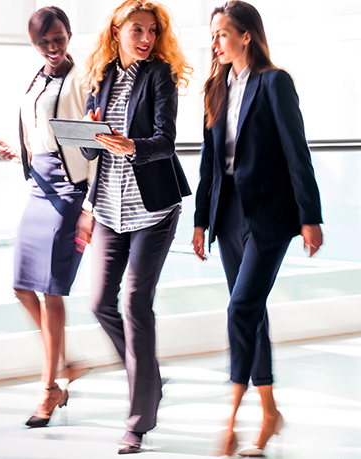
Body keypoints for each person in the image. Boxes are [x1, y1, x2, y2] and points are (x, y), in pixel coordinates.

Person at [191, 1, 323, 456]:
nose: (216, 42)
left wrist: (310, 216)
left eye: (223, 33)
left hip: (268, 215)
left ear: (246, 35)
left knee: (240, 308)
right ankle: (269, 413)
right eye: (213, 35)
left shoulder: (274, 82)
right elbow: (210, 160)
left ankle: (231, 417)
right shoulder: (215, 87)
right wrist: (200, 219)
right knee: (251, 311)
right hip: (226, 214)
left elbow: (296, 151)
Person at [76, 0, 192, 453]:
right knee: (102, 303)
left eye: (152, 31)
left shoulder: (159, 74)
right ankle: (150, 380)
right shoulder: (101, 78)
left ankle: (138, 421)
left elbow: (165, 140)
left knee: (135, 303)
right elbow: (90, 152)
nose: (146, 39)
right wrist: (89, 132)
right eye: (137, 30)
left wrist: (130, 145)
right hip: (108, 208)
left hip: (153, 210)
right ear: (117, 32)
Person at [0, 6, 94, 428]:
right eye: (43, 42)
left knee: (51, 290)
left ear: (69, 34)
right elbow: (44, 133)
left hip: (69, 189)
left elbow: (89, 141)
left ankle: (50, 387)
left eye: (58, 38)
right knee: (21, 286)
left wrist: (88, 205)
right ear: (35, 44)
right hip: (39, 184)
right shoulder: (36, 78)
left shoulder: (82, 78)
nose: (52, 47)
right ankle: (65, 364)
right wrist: (18, 153)